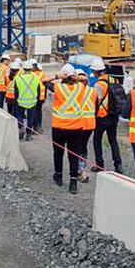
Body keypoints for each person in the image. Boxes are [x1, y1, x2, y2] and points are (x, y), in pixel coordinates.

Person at [51, 62, 96, 194]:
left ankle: (58, 176)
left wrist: (57, 75)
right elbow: (85, 80)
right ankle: (73, 182)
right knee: (74, 155)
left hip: (59, 127)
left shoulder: (57, 88)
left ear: (63, 77)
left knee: (58, 153)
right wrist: (76, 77)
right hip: (76, 128)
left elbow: (42, 80)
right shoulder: (81, 87)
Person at [89, 57, 123, 174]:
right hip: (114, 116)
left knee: (97, 140)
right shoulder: (114, 80)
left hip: (102, 117)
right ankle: (118, 165)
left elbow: (95, 100)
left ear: (96, 71)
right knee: (113, 140)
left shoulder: (99, 85)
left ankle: (100, 164)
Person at [10, 59, 44, 140]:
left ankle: (21, 127)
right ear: (31, 68)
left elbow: (16, 91)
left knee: (19, 115)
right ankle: (28, 134)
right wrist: (37, 99)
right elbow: (38, 90)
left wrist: (16, 100)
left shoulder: (18, 78)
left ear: (23, 68)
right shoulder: (35, 78)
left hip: (20, 100)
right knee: (30, 118)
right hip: (32, 101)